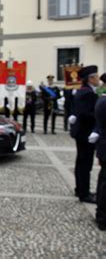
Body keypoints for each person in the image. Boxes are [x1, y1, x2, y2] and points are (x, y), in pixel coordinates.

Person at [70, 65, 99, 204]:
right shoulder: (89, 93)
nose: (98, 79)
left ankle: (79, 188)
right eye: (96, 77)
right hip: (85, 133)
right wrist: (99, 115)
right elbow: (86, 114)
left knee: (81, 162)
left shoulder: (82, 91)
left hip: (80, 132)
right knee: (85, 164)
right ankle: (84, 193)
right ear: (90, 79)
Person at [94, 94, 106, 230]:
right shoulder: (104, 102)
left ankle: (101, 214)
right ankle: (102, 218)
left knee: (102, 180)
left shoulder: (101, 100)